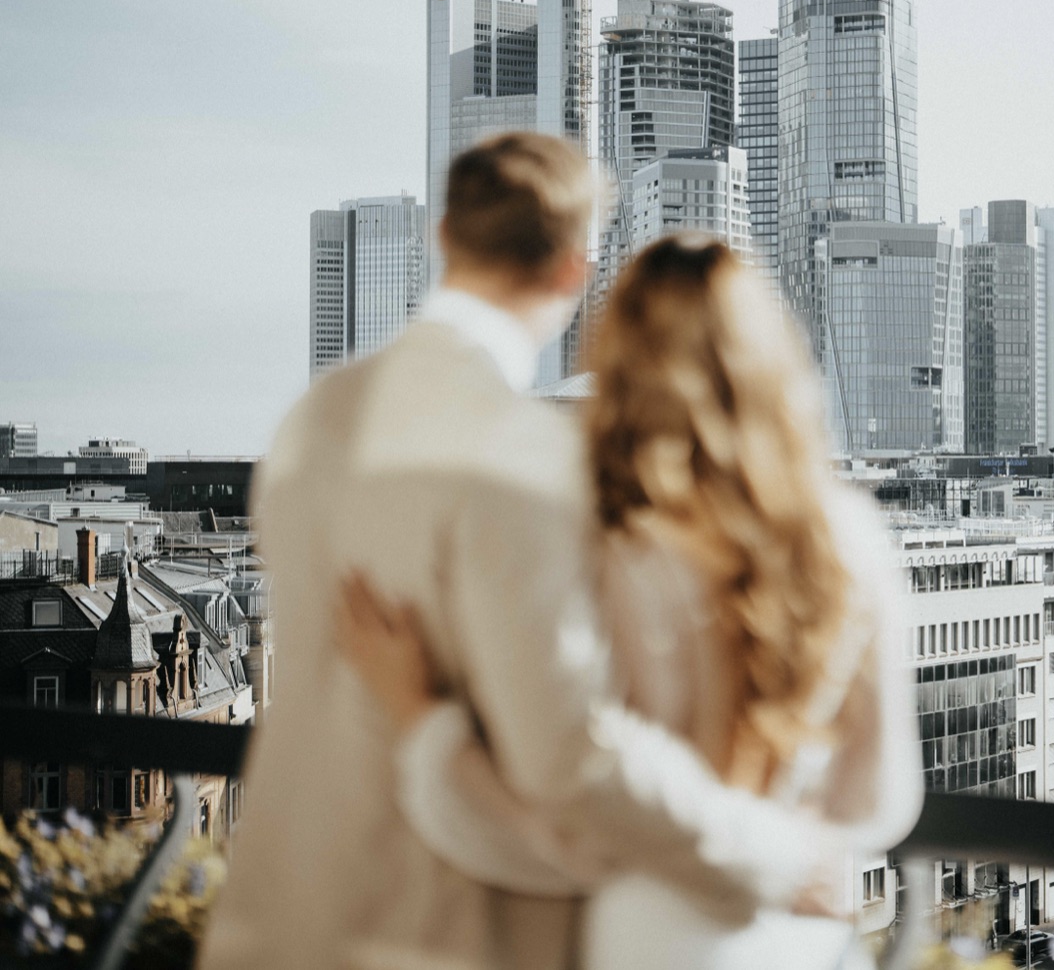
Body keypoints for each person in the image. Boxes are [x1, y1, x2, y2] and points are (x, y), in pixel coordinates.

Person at [200, 134, 886, 970]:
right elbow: (569, 759)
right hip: (433, 931)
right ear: (573, 271)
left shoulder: (310, 420)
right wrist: (773, 857)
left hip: (276, 917)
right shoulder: (526, 455)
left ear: (444, 236)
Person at [332, 233, 923, 969]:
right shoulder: (847, 536)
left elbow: (563, 817)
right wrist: (791, 845)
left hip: (654, 938)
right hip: (808, 937)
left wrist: (421, 722)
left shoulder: (600, 548)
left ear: (616, 364)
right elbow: (878, 801)